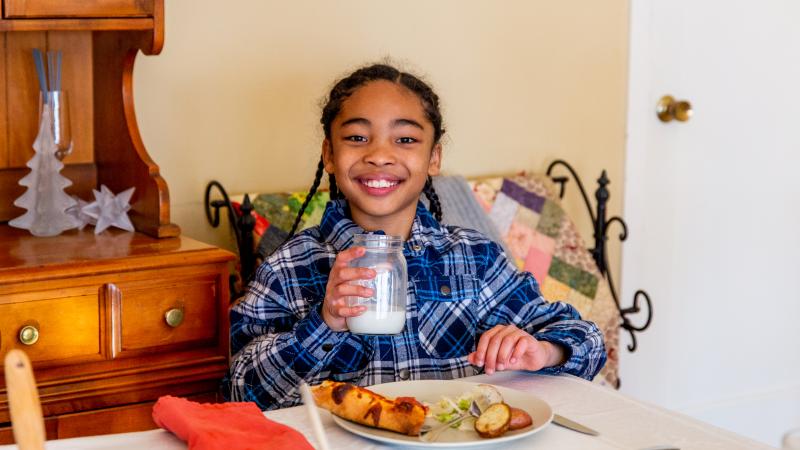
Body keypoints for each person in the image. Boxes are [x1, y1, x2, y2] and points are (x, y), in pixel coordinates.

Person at [224, 63, 606, 410]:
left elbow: (588, 342)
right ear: (329, 154)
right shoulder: (289, 268)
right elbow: (241, 392)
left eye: (405, 140)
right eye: (357, 137)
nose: (379, 154)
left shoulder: (476, 261)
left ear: (433, 159)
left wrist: (542, 350)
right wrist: (325, 322)